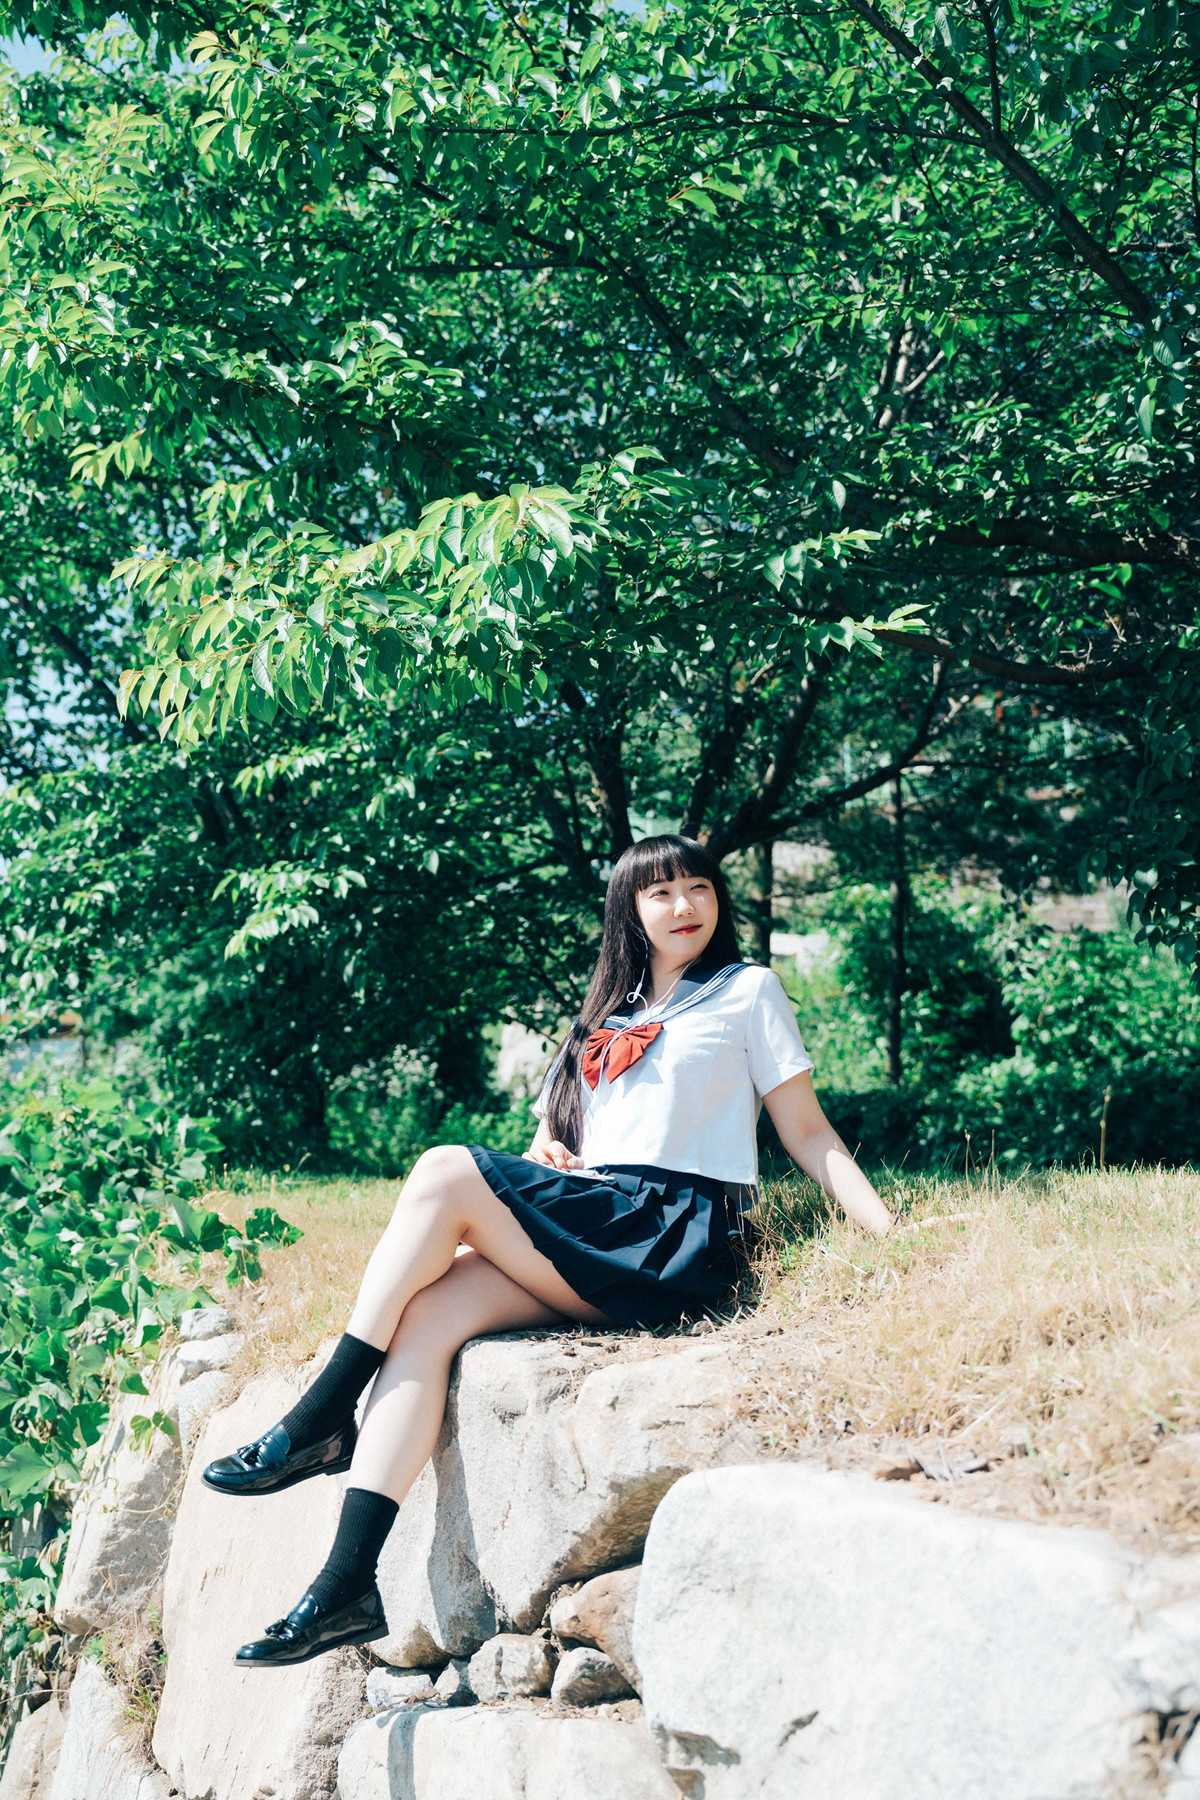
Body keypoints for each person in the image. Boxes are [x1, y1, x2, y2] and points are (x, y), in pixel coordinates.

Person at [202, 833, 896, 1666]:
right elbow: (547, 1146)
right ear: (629, 911)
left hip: (677, 1233)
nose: (684, 906)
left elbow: (809, 1133)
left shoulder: (747, 991)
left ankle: (319, 1416)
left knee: (444, 1170)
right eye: (660, 892)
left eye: (699, 888)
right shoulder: (602, 1018)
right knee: (428, 1315)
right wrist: (552, 1160)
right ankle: (345, 1584)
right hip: (605, 1223)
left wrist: (889, 1235)